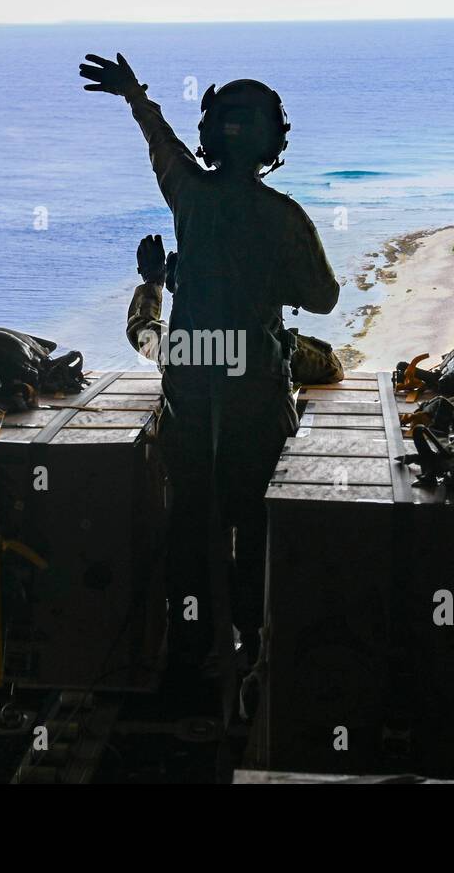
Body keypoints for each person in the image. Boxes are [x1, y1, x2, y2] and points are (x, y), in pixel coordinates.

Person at [80, 53, 340, 670]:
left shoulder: (191, 197)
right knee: (253, 522)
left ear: (210, 137)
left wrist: (134, 95)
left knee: (189, 523)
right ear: (273, 142)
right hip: (256, 399)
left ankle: (188, 648)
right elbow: (324, 298)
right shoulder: (284, 217)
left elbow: (161, 148)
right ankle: (253, 646)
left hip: (191, 397)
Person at [126, 234, 344, 388]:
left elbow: (139, 327)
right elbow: (331, 366)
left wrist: (154, 280)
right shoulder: (263, 352)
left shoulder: (176, 348)